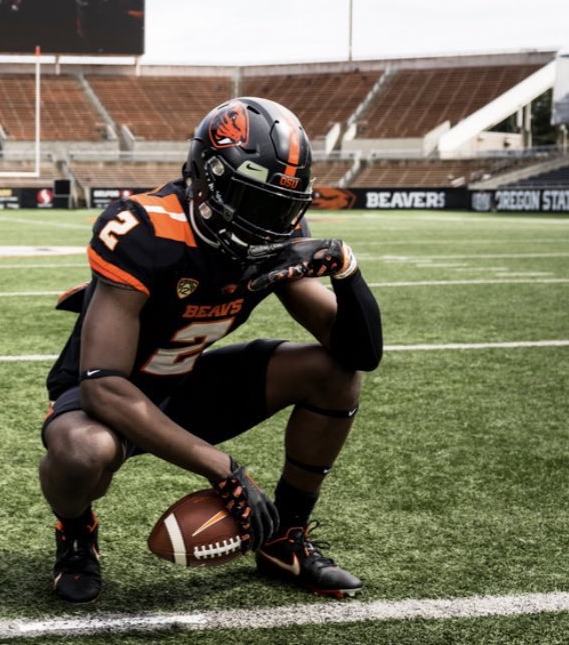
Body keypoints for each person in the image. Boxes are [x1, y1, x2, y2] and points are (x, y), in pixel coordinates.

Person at [40, 96, 382, 604]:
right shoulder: (145, 228)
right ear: (207, 177)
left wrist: (347, 271)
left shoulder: (275, 232)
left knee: (334, 372)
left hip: (186, 382)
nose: (268, 221)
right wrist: (223, 469)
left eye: (282, 205)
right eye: (254, 200)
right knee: (82, 451)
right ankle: (75, 532)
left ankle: (283, 537)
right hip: (110, 396)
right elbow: (103, 385)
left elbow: (358, 352)